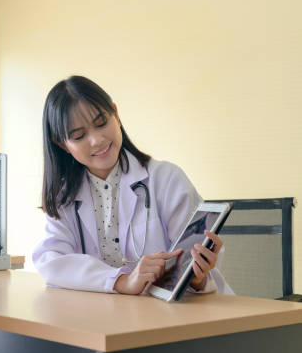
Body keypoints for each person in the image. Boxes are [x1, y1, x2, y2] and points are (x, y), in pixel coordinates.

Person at [33, 75, 233, 295]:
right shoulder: (64, 198)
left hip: (181, 315)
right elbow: (51, 261)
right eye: (79, 136)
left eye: (101, 123)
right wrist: (122, 281)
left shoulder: (166, 179)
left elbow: (192, 270)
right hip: (110, 318)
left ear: (116, 115)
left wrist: (196, 278)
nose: (97, 140)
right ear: (62, 145)